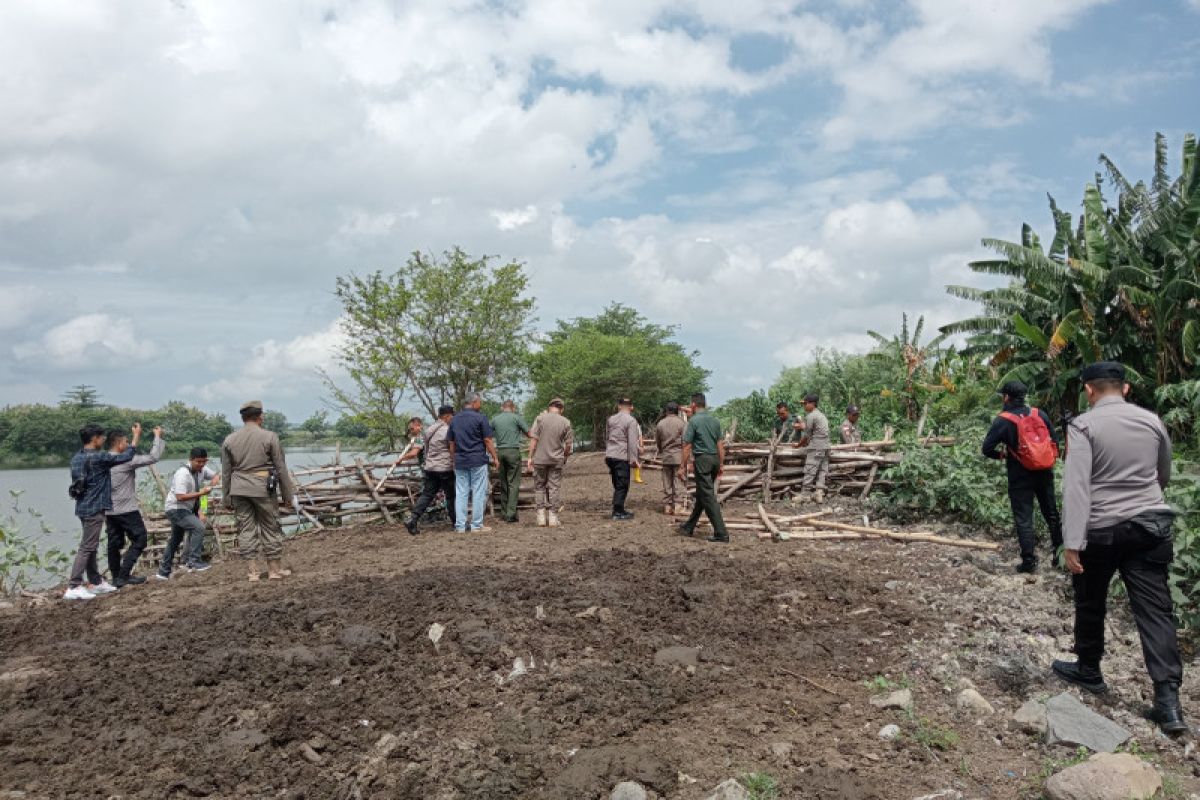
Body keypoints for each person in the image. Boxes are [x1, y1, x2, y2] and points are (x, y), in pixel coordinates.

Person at [1052, 362, 1186, 734]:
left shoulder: (1082, 426)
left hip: (1103, 530)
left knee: (1090, 598)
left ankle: (1089, 670)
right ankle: (1168, 703)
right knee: (1156, 610)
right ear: (1125, 388)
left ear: (1089, 391)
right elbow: (1164, 473)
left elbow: (1077, 487)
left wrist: (1072, 543)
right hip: (1150, 525)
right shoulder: (1152, 421)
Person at [981, 380, 1062, 573]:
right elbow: (1055, 441)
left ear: (1006, 397)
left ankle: (1029, 562)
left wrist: (1004, 455)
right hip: (1044, 472)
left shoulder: (1003, 419)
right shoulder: (1039, 414)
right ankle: (1060, 558)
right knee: (1051, 514)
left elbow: (986, 449)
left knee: (1024, 518)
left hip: (1019, 475)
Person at [221, 400, 296, 581]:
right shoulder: (270, 437)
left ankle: (253, 573)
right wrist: (288, 495)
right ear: (259, 417)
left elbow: (226, 472)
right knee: (271, 527)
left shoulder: (229, 440)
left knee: (246, 530)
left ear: (243, 417)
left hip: (238, 489)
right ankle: (274, 571)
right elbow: (281, 468)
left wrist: (227, 498)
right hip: (262, 489)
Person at [64, 424, 138, 600]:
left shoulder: (76, 458)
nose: (104, 439)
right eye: (102, 437)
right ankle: (74, 585)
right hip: (95, 507)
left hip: (82, 506)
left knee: (91, 545)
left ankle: (95, 581)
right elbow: (126, 456)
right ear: (95, 439)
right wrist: (135, 438)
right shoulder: (99, 458)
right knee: (87, 546)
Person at [105, 423, 165, 587]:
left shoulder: (103, 459)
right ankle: (124, 575)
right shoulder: (126, 461)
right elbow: (153, 457)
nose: (128, 445)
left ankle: (116, 576)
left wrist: (135, 436)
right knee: (140, 538)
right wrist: (157, 437)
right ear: (119, 444)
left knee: (114, 543)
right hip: (126, 509)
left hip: (109, 510)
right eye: (125, 442)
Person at [157, 447, 218, 579]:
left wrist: (212, 484)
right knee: (199, 527)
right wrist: (202, 493)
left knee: (176, 539)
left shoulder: (202, 470)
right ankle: (193, 561)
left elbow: (216, 475)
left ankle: (163, 571)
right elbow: (180, 496)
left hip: (186, 508)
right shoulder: (182, 474)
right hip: (176, 508)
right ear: (191, 460)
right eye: (198, 462)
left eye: (203, 462)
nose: (201, 465)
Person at [677, 393, 729, 543]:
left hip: (703, 460)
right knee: (702, 495)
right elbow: (720, 445)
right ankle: (689, 526)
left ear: (693, 404)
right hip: (714, 460)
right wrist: (721, 464)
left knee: (708, 496)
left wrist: (682, 467)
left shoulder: (694, 421)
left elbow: (687, 446)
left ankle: (721, 533)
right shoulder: (714, 420)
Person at [447, 393, 499, 533]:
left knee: (461, 493)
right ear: (474, 402)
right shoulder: (480, 418)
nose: (480, 404)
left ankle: (460, 526)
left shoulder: (454, 420)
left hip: (460, 461)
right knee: (478, 492)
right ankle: (476, 525)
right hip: (477, 459)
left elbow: (451, 443)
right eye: (479, 402)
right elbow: (488, 440)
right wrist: (495, 457)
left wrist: (453, 459)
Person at [405, 406, 456, 535]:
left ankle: (413, 518)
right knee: (450, 495)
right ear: (446, 416)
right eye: (451, 416)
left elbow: (427, 448)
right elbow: (452, 448)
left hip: (430, 467)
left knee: (427, 494)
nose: (453, 419)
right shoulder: (447, 429)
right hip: (444, 467)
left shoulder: (429, 429)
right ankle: (456, 523)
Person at [527, 399, 573, 527]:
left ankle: (541, 517)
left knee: (539, 487)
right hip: (556, 459)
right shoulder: (565, 422)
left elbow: (533, 439)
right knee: (554, 487)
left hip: (540, 459)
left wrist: (530, 457)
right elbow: (568, 444)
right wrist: (565, 455)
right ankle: (553, 517)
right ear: (561, 409)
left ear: (549, 407)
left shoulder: (540, 419)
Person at [491, 400, 530, 523]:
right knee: (513, 483)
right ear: (513, 408)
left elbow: (485, 434)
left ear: (502, 407)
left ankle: (503, 512)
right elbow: (529, 433)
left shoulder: (495, 419)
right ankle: (511, 514)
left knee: (504, 482)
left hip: (500, 452)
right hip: (513, 451)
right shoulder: (516, 418)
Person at [605, 397, 642, 520]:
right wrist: (634, 459)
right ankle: (618, 511)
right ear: (631, 407)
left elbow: (607, 436)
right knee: (623, 484)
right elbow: (632, 441)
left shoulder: (611, 419)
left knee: (617, 483)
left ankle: (618, 508)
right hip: (621, 456)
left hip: (610, 455)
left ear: (619, 406)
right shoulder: (631, 421)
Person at [795, 394, 831, 503]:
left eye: (806, 403)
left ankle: (805, 495)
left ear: (812, 404)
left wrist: (798, 445)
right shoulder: (821, 415)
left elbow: (807, 436)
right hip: (825, 446)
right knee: (822, 470)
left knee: (810, 469)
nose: (804, 406)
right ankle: (818, 493)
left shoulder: (811, 416)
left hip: (816, 446)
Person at [655, 402, 687, 515]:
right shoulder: (682, 423)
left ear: (667, 410)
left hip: (666, 456)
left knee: (667, 481)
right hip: (679, 457)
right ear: (677, 411)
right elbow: (685, 443)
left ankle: (668, 506)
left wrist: (662, 450)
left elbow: (658, 442)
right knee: (678, 481)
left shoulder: (660, 424)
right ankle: (678, 506)